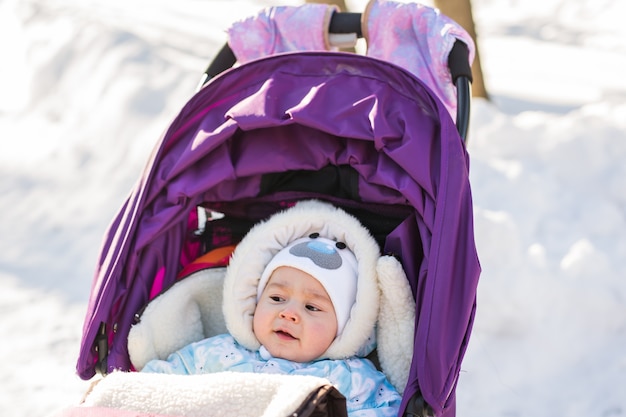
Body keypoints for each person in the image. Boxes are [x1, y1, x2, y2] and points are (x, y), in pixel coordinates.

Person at [141, 200, 403, 417]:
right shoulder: (220, 353)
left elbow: (387, 411)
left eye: (312, 307)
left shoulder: (351, 378)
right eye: (277, 298)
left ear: (346, 327)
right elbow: (160, 382)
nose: (288, 313)